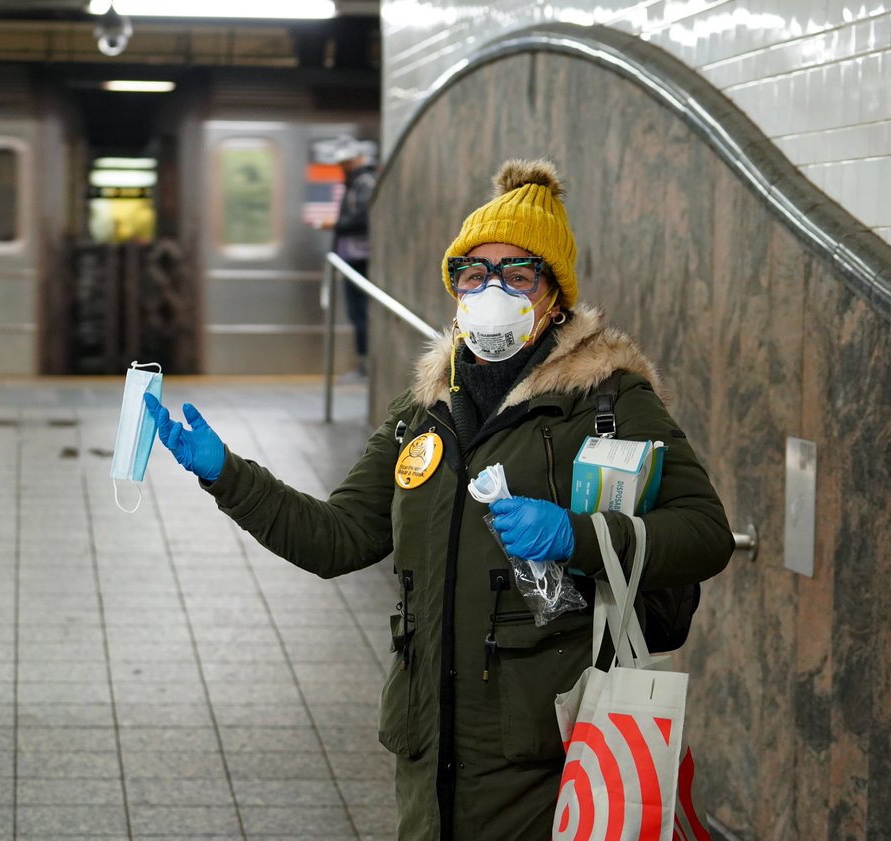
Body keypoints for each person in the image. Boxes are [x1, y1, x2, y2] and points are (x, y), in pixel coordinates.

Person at [142, 159, 733, 841]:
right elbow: (337, 538)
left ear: (556, 296)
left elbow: (704, 530)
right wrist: (226, 473)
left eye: (517, 273)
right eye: (473, 273)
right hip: (430, 758)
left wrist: (575, 533)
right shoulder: (423, 412)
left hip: (547, 759)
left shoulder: (607, 400)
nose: (491, 289)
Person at [319, 136, 378, 379]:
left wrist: (336, 224)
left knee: (360, 311)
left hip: (359, 255)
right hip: (352, 255)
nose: (342, 167)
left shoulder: (363, 182)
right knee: (356, 311)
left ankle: (365, 365)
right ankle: (363, 363)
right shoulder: (356, 182)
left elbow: (363, 218)